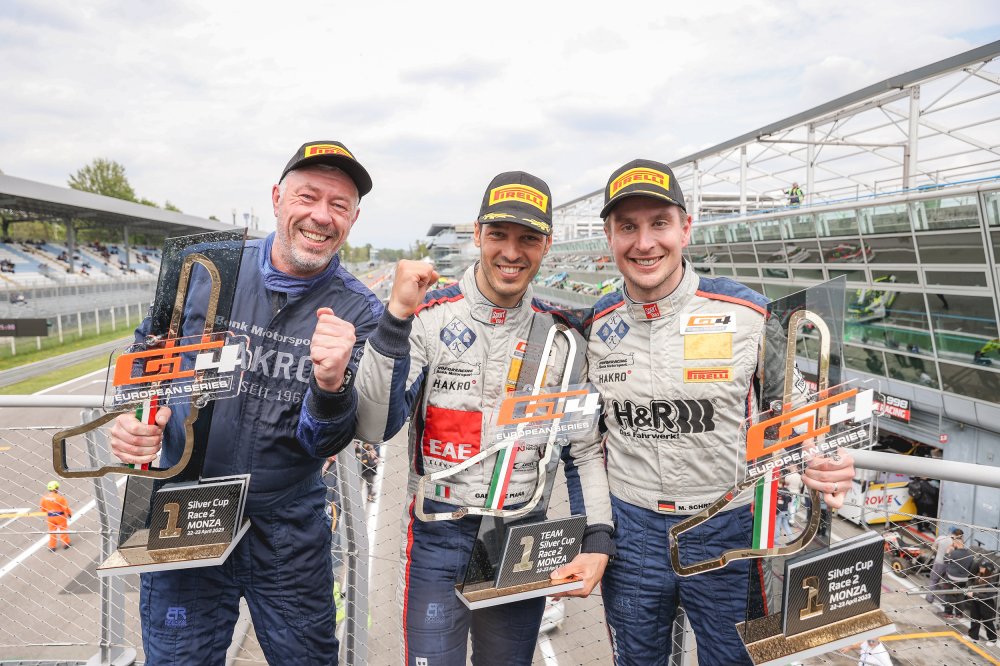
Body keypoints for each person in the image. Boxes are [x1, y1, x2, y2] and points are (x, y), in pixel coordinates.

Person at [108, 140, 382, 665]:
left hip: (286, 524)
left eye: (339, 205)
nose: (321, 216)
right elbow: (146, 356)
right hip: (185, 506)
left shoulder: (359, 311)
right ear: (277, 198)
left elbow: (325, 441)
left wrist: (330, 386)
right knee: (178, 659)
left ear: (353, 219)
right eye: (307, 196)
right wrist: (133, 418)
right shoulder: (204, 266)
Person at [588, 159, 856, 666]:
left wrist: (830, 461)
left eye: (659, 223)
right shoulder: (595, 325)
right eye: (627, 227)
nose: (644, 243)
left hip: (728, 525)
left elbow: (801, 413)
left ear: (686, 229)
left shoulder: (749, 313)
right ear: (610, 236)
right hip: (631, 529)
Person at [354, 171, 614, 665]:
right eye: (498, 234)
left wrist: (598, 538)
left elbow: (583, 452)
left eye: (528, 238)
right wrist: (394, 320)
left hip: (521, 533)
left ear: (547, 245)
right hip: (438, 532)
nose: (511, 252)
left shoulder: (563, 338)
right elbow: (372, 425)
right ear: (477, 234)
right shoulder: (428, 317)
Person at [927, 527, 962, 606]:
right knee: (945, 583)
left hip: (939, 562)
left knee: (934, 580)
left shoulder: (941, 538)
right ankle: (943, 601)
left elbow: (933, 548)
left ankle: (930, 598)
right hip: (949, 565)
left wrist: (939, 552)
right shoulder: (956, 543)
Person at [966, 560, 998, 646]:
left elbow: (988, 596)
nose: (980, 568)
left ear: (987, 569)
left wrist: (974, 594)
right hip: (976, 601)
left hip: (986, 604)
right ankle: (973, 636)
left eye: (982, 567)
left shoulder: (991, 580)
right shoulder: (980, 576)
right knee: (974, 618)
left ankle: (993, 639)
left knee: (987, 622)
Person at [943, 535, 975, 617]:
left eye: (953, 543)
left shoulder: (954, 553)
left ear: (957, 544)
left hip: (952, 578)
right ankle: (959, 614)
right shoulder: (970, 555)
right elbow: (971, 568)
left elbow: (945, 560)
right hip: (963, 579)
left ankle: (948, 613)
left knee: (949, 595)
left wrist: (947, 551)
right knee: (960, 596)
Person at [40, 480, 72, 551]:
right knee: (63, 529)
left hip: (50, 516)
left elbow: (42, 508)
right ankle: (65, 544)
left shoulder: (44, 498)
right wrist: (69, 514)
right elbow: (65, 507)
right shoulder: (59, 498)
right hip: (60, 516)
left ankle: (52, 546)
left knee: (52, 531)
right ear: (56, 488)